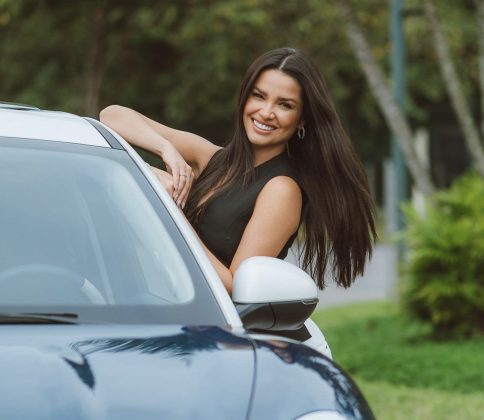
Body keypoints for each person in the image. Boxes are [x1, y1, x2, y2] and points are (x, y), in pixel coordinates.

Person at [100, 47, 377, 298]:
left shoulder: (281, 189)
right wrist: (165, 149)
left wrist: (170, 210)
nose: (266, 112)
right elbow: (112, 116)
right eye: (259, 96)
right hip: (152, 302)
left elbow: (235, 286)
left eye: (285, 105)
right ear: (245, 99)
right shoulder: (209, 157)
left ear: (302, 119)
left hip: (208, 328)